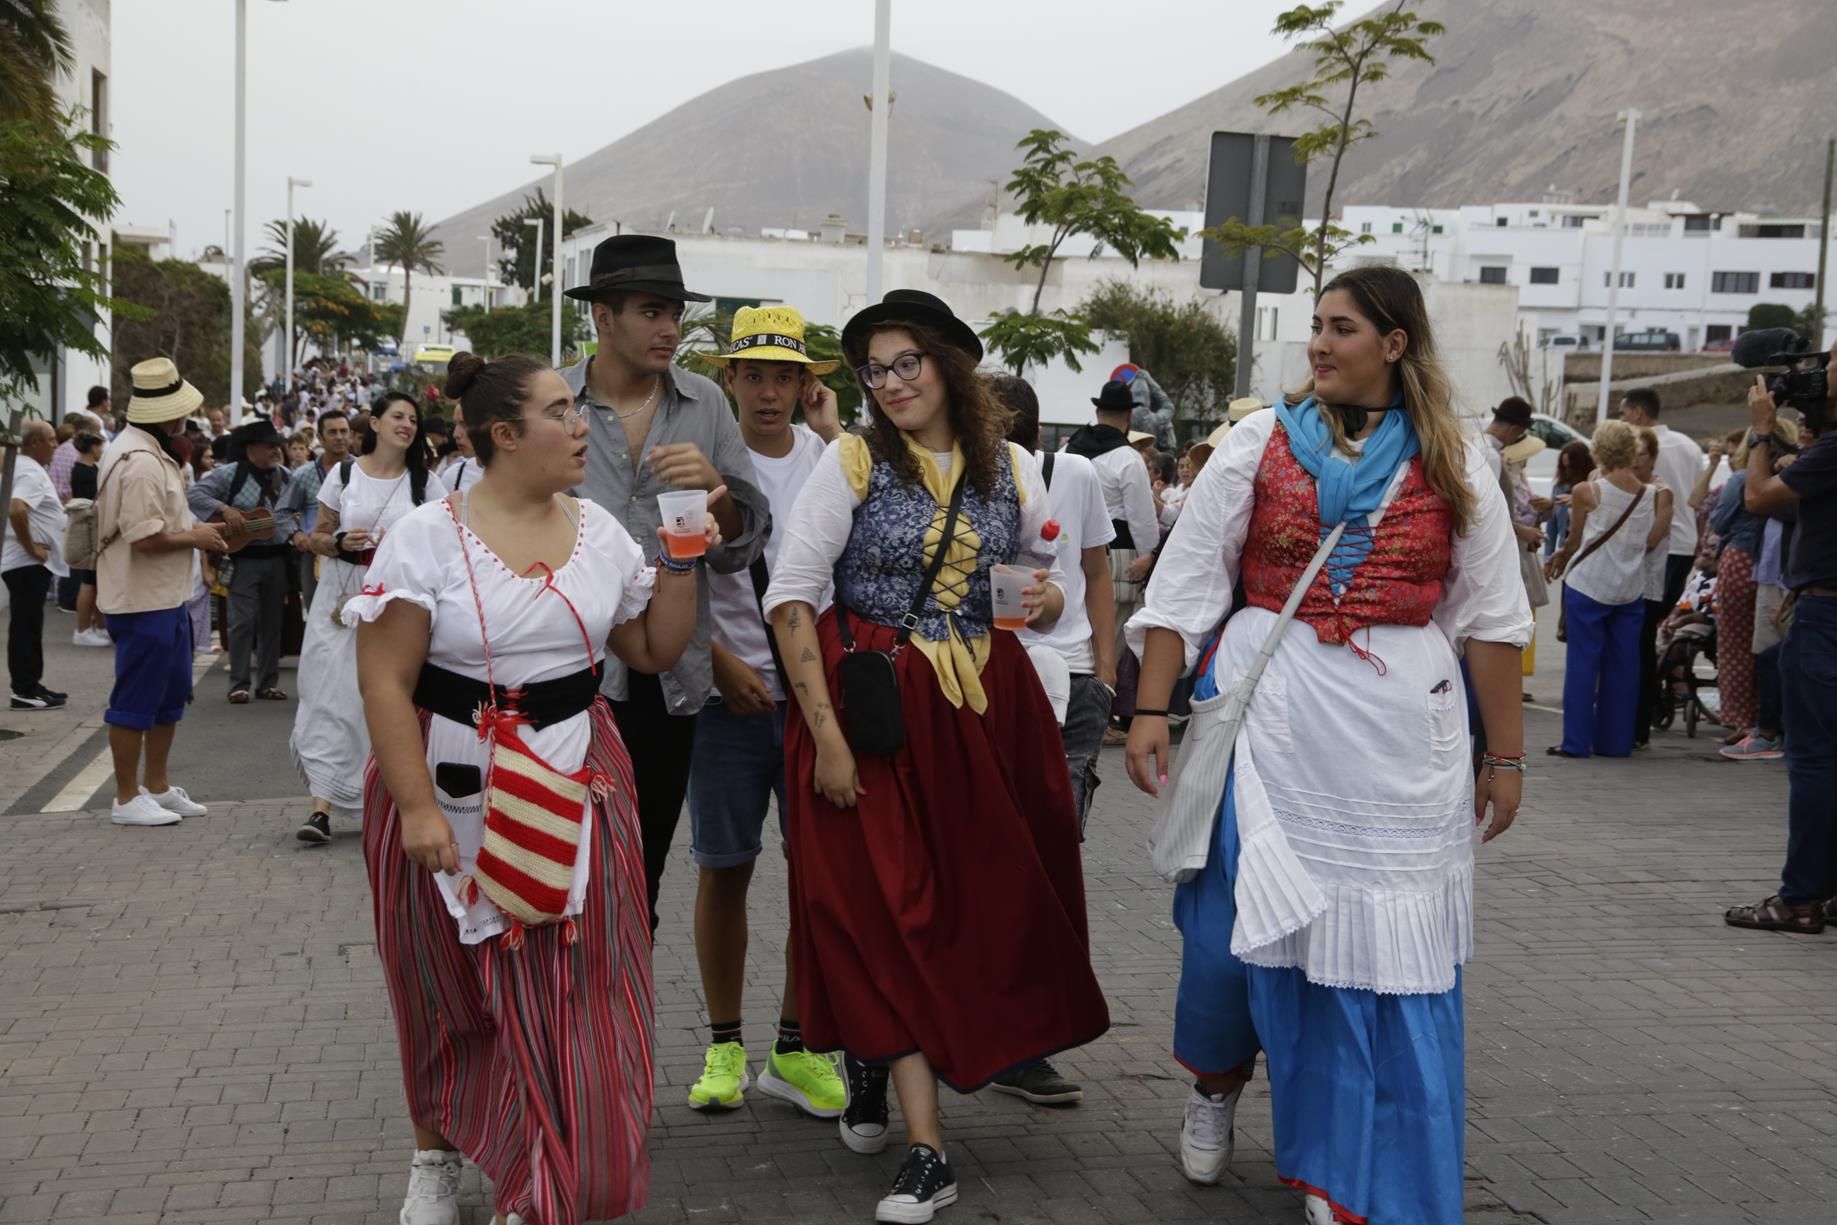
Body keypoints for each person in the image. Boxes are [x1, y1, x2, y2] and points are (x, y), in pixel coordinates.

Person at [1124, 265, 1529, 1225]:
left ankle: (1347, 1166)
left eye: (1339, 327)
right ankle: (1216, 1083)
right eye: (1314, 325)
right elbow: (1184, 587)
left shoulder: (1457, 457)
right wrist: (1147, 709)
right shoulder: (1256, 442)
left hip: (1397, 741)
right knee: (1231, 943)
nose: (1317, 343)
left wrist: (1504, 756)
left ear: (1393, 343)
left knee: (1382, 961)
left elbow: (1494, 621)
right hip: (1269, 718)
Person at [764, 289, 1110, 1224]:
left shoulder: (1013, 472)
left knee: (965, 906)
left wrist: (1036, 605)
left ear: (949, 362)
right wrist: (827, 737)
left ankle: (878, 1059)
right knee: (886, 909)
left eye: (904, 361)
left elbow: (1025, 597)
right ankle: (928, 1151)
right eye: (875, 368)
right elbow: (792, 599)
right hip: (871, 712)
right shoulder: (851, 463)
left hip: (978, 713)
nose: (889, 382)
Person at [350, 352, 711, 1225]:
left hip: (576, 778)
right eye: (560, 410)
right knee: (445, 989)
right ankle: (437, 1153)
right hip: (445, 774)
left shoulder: (600, 532)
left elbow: (654, 650)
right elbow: (386, 682)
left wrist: (687, 545)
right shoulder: (426, 536)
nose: (583, 424)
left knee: (576, 996)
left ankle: (544, 1183)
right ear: (504, 436)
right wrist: (416, 808)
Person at [562, 234, 770, 933]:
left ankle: (618, 1037)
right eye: (651, 310)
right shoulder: (553, 403)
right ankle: (566, 1033)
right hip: (565, 673)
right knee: (563, 870)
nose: (670, 328)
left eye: (675, 311)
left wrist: (716, 488)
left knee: (638, 876)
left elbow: (743, 544)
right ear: (602, 317)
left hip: (668, 682)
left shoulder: (704, 403)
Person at [679, 305, 847, 1118]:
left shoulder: (828, 459)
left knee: (818, 877)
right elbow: (664, 577)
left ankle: (795, 1044)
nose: (769, 392)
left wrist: (834, 425)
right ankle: (722, 1044)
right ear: (729, 379)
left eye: (786, 375)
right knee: (724, 867)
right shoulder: (702, 463)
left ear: (805, 383)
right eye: (755, 375)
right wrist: (719, 663)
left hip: (812, 703)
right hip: (724, 701)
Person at [991, 371, 1116, 1110]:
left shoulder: (1074, 474)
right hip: (997, 685)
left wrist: (1103, 667)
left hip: (1070, 688)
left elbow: (1096, 569)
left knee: (1053, 849)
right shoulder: (959, 483)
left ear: (1036, 442)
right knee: (1000, 859)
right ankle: (997, 1030)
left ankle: (1029, 1042)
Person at [291, 393, 447, 844]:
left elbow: (446, 542)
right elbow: (316, 536)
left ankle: (395, 801)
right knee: (328, 692)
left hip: (398, 600)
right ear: (375, 423)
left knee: (389, 696)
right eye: (398, 416)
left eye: (413, 419)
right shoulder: (344, 474)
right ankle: (321, 806)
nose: (408, 425)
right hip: (341, 593)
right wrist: (339, 542)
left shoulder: (426, 484)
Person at [1726, 357, 1837, 933]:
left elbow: (1758, 498)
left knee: (1815, 759)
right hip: (1819, 605)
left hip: (1827, 616)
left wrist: (1764, 430)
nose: (1824, 369)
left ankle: (1800, 899)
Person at [96, 358, 228, 827]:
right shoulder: (141, 462)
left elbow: (163, 525)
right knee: (135, 698)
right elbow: (144, 536)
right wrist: (196, 537)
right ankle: (127, 796)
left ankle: (155, 785)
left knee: (170, 695)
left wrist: (197, 530)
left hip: (166, 594)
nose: (185, 418)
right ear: (166, 413)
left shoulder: (148, 451)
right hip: (141, 597)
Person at [1543, 420, 1669, 758]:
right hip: (1629, 588)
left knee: (1583, 665)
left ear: (1600, 450)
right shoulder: (1651, 494)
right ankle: (1615, 742)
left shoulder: (1588, 490)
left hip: (1589, 584)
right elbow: (1652, 541)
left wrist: (1558, 556)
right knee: (1623, 668)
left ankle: (1576, 743)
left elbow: (1576, 539)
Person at [1067, 378, 1159, 739]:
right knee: (1112, 636)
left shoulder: (1070, 450)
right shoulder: (1126, 458)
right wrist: (1150, 553)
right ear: (1127, 418)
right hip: (1116, 553)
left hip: (1072, 549)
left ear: (1096, 412)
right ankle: (1097, 715)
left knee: (1080, 627)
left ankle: (1081, 706)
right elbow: (1140, 516)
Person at [188, 419, 298, 703]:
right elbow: (195, 494)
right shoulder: (229, 474)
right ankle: (238, 683)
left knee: (273, 622)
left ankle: (267, 683)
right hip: (244, 559)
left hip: (277, 558)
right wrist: (224, 509)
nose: (276, 451)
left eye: (277, 446)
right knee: (242, 622)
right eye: (269, 446)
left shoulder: (285, 476)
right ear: (251, 448)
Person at [1619, 388, 1706, 742]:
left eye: (1624, 413)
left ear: (1639, 413)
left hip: (1651, 548)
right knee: (1650, 631)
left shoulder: (1635, 446)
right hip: (1683, 545)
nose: (1622, 419)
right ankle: (1654, 701)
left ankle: (1642, 710)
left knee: (1639, 634)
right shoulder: (1689, 445)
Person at [1707, 421, 1799, 749]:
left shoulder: (1744, 479)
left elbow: (1719, 521)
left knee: (1736, 645)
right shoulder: (1787, 477)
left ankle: (1742, 719)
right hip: (1769, 562)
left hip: (1744, 558)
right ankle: (1763, 715)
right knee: (1764, 646)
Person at [3, 421, 71, 710]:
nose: (56, 446)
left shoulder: (19, 466)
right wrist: (31, 546)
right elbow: (17, 509)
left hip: (24, 562)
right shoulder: (30, 470)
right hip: (27, 562)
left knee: (28, 624)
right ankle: (25, 690)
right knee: (26, 626)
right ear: (34, 444)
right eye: (51, 440)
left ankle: (32, 684)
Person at [277, 409, 354, 612]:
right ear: (320, 437)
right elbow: (282, 512)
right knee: (316, 613)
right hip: (314, 554)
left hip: (355, 554)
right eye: (333, 432)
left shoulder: (364, 470)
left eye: (344, 431)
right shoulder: (304, 474)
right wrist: (296, 534)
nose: (339, 437)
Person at [68, 430, 111, 647]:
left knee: (97, 582)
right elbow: (92, 502)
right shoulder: (83, 472)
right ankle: (82, 629)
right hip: (90, 529)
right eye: (100, 446)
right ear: (93, 446)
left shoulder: (91, 469)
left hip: (96, 528)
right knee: (89, 581)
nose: (102, 450)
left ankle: (100, 626)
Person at [1542, 440, 1594, 559]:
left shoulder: (1594, 487)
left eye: (1571, 467)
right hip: (1565, 551)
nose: (1567, 472)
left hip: (1587, 553)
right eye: (1564, 468)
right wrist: (1548, 558)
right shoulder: (1560, 487)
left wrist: (1578, 502)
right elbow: (1552, 527)